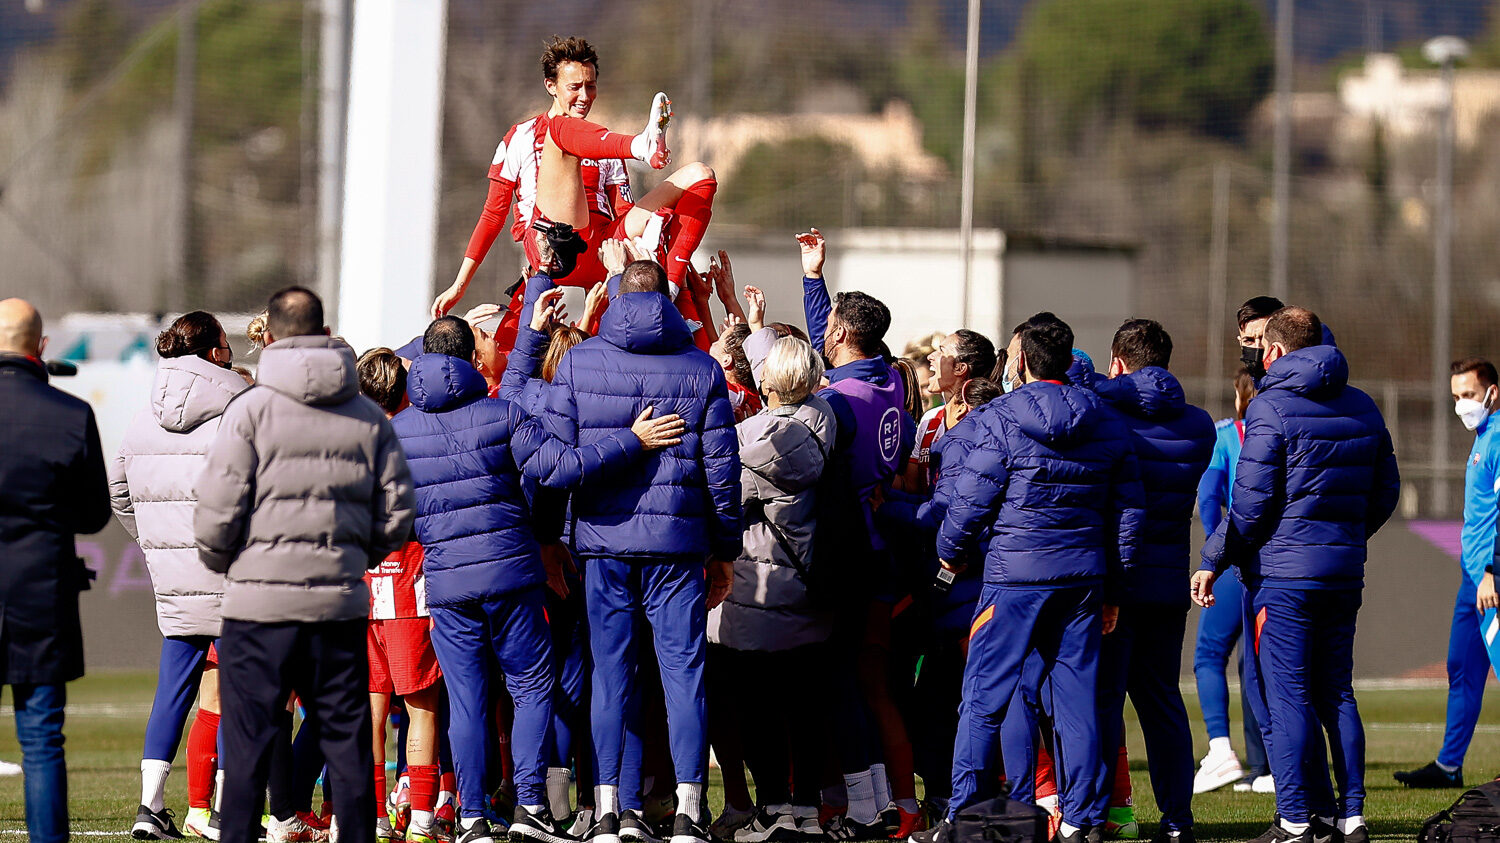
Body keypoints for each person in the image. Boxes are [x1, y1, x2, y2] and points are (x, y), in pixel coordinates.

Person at [394, 311, 686, 843]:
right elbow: (563, 469)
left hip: (446, 582)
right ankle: (529, 807)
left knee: (467, 701)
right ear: (468, 358)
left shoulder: (398, 431)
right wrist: (632, 440)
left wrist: (433, 532)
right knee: (531, 689)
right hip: (511, 572)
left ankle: (471, 817)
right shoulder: (501, 415)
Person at [195, 287, 417, 843]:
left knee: (249, 749)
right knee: (345, 746)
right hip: (335, 603)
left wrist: (236, 565)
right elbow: (396, 516)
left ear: (270, 335)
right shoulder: (367, 416)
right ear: (322, 333)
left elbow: (214, 518)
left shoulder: (247, 410)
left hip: (258, 607)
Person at [914, 313, 1144, 843]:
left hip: (1013, 577)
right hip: (1083, 580)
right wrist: (1115, 588)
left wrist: (949, 553)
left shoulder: (1001, 416)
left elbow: (971, 501)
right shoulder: (1106, 418)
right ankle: (1082, 821)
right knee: (1077, 701)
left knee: (982, 698)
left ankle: (963, 815)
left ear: (1018, 362)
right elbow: (1129, 511)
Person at [539, 259, 741, 843]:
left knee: (611, 674)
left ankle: (607, 809)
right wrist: (725, 548)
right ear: (669, 299)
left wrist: (551, 539)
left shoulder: (578, 363)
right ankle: (685, 810)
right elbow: (721, 473)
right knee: (683, 675)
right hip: (678, 544)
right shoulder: (701, 369)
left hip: (604, 542)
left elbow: (556, 462)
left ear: (613, 296)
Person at [1193, 307, 1399, 843]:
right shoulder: (1363, 404)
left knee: (1286, 697)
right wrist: (1345, 538)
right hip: (1342, 571)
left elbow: (1251, 506)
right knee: (1337, 693)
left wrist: (1211, 558)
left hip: (1283, 577)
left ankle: (1294, 820)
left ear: (1277, 351)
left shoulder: (1271, 407)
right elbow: (1386, 492)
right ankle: (1348, 817)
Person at [438, 36, 718, 346]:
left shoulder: (604, 143)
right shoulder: (520, 137)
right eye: (574, 87)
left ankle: (671, 290)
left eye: (591, 86)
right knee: (560, 129)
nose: (585, 96)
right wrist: (459, 285)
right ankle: (641, 145)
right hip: (553, 246)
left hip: (598, 252)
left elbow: (624, 213)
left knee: (699, 175)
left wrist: (642, 250)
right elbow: (492, 216)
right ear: (550, 86)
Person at [795, 227, 917, 839]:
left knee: (842, 680)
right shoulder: (891, 379)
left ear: (840, 335)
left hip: (848, 552)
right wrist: (815, 277)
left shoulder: (837, 401)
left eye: (831, 324)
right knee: (869, 681)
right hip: (880, 551)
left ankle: (867, 803)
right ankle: (890, 801)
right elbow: (841, 343)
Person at [110, 311, 248, 840]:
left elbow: (118, 487)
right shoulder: (240, 406)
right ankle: (220, 811)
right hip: (235, 570)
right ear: (215, 352)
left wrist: (153, 539)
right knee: (242, 694)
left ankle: (150, 808)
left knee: (172, 690)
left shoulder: (145, 411)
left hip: (174, 573)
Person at [1086, 319, 1215, 843]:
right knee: (1162, 703)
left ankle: (1092, 817)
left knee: (1099, 703)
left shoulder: (1105, 416)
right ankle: (1178, 820)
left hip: (1113, 580)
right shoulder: (1200, 425)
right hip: (1165, 583)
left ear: (1117, 364)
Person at [711, 337, 837, 843]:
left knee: (756, 707)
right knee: (805, 707)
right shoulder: (826, 420)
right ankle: (805, 808)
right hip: (809, 581)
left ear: (765, 382)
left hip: (755, 590)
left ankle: (773, 808)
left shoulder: (747, 441)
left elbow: (720, 494)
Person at [0, 297, 111, 843]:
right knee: (42, 742)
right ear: (40, 348)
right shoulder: (70, 415)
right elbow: (93, 514)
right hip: (41, 593)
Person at [352, 348, 447, 843]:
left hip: (363, 590)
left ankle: (372, 818)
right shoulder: (415, 435)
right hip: (409, 587)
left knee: (370, 709)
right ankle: (424, 820)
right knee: (422, 708)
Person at [1394, 357, 1500, 788]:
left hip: (1492, 580)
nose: (1462, 405)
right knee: (1462, 668)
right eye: (1456, 396)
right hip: (1471, 580)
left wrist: (1493, 570)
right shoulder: (1481, 437)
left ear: (1493, 392)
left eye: (1470, 395)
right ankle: (1449, 767)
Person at [1193, 368, 1272, 795]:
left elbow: (1209, 496)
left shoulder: (1226, 435)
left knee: (1209, 656)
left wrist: (1215, 550)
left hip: (1237, 558)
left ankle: (1221, 750)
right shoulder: (1290, 427)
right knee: (1261, 663)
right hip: (1279, 561)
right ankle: (1268, 766)